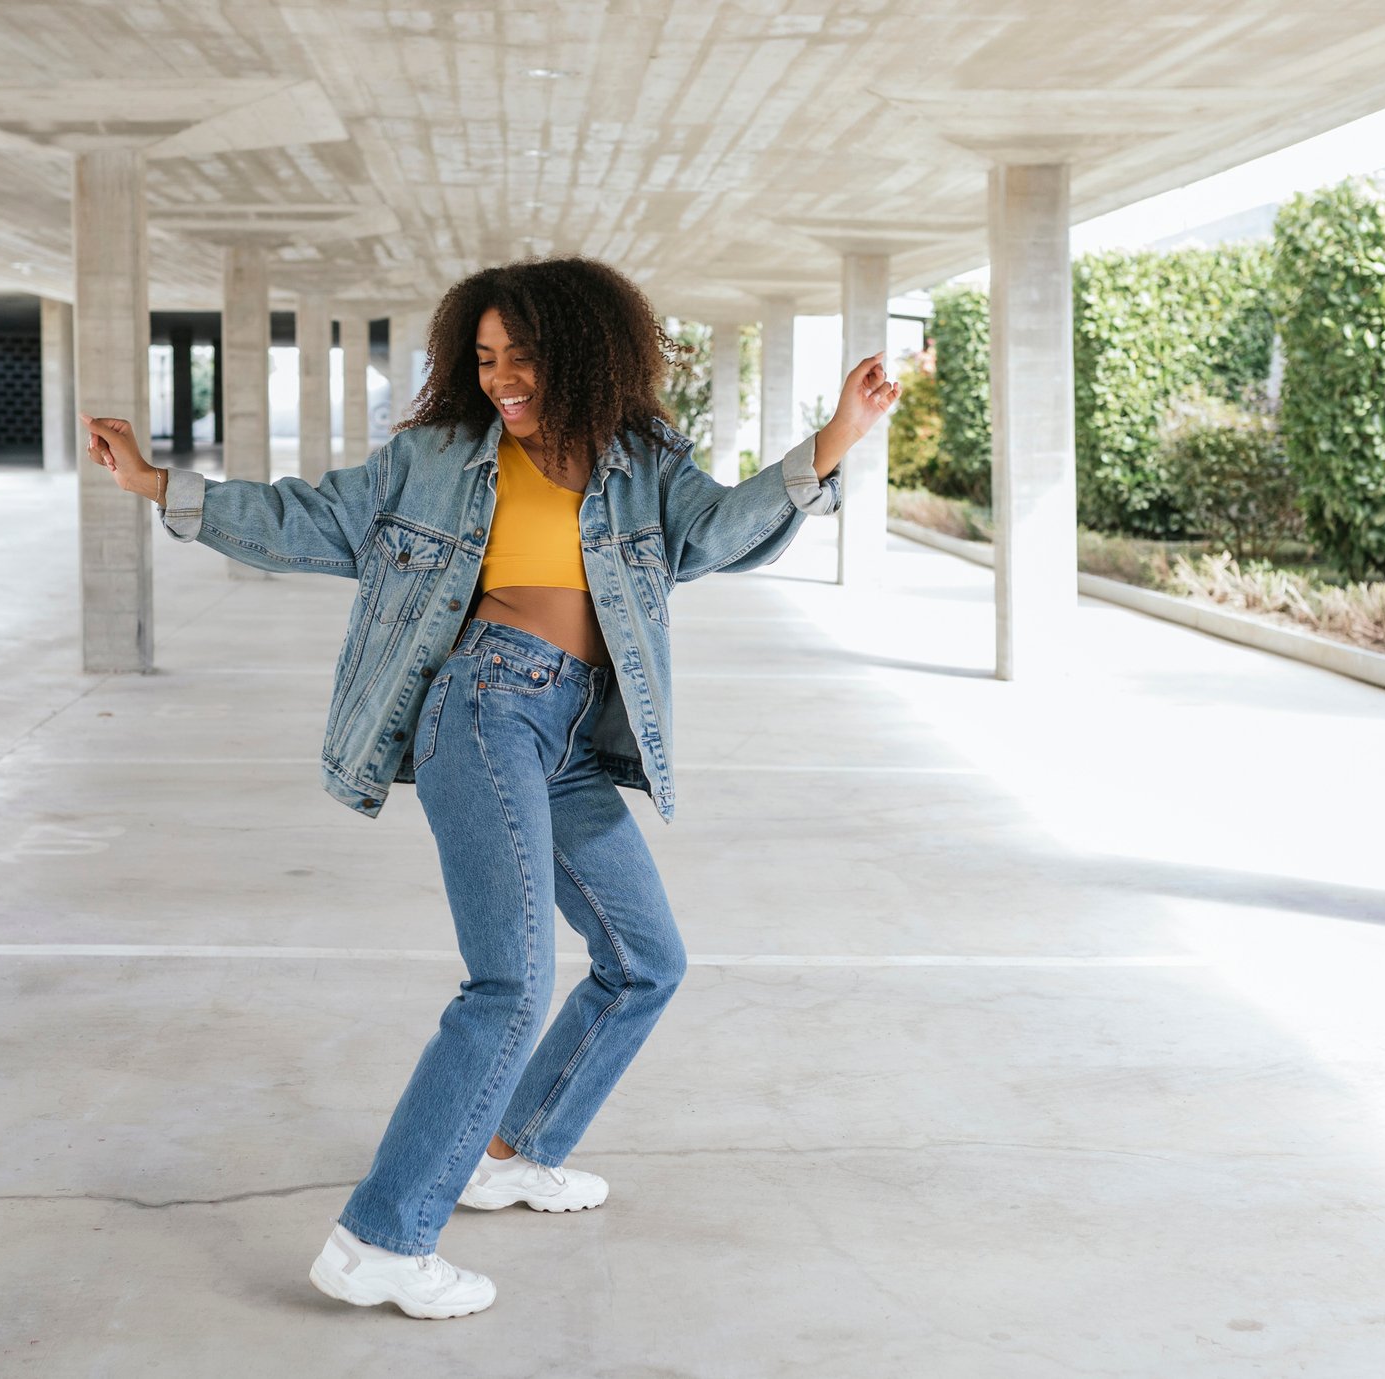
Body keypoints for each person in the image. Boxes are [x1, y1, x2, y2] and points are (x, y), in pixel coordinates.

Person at [80, 255, 898, 1320]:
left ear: (587, 355)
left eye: (523, 357)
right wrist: (157, 484)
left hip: (571, 730)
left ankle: (511, 1148)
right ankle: (381, 1237)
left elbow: (718, 533)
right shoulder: (433, 458)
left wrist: (837, 439)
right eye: (486, 357)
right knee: (507, 982)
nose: (503, 378)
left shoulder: (641, 459)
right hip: (482, 706)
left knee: (647, 958)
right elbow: (308, 520)